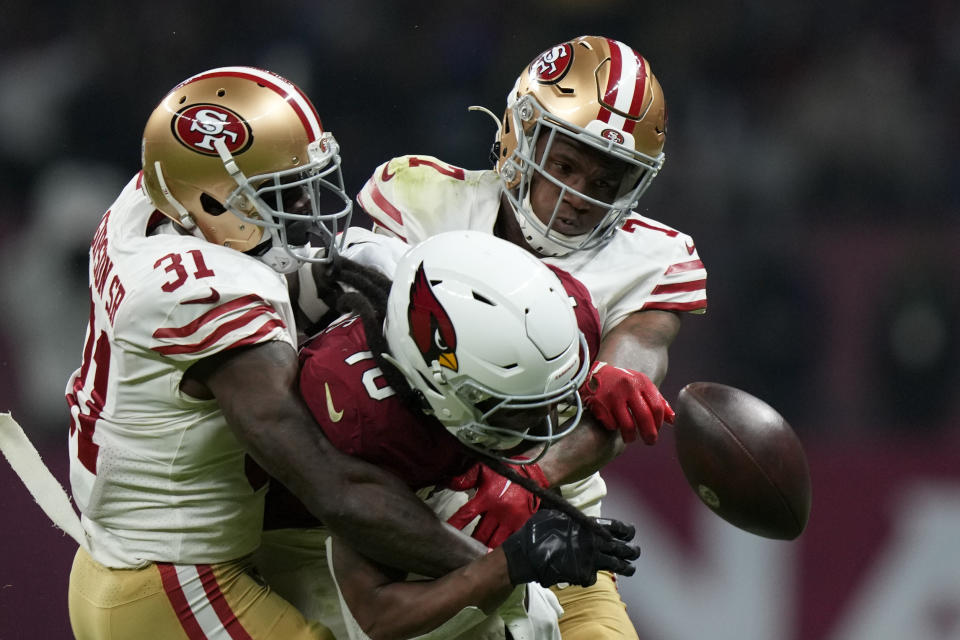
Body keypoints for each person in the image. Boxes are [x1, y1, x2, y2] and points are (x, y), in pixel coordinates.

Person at [64, 66, 499, 640]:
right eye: (280, 193)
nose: (304, 204)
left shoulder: (148, 204)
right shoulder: (214, 291)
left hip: (130, 560)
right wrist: (499, 568)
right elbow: (333, 490)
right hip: (172, 581)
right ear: (211, 203)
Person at [356, 35, 708, 638]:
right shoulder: (423, 197)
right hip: (409, 516)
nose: (576, 198)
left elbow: (641, 347)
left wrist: (611, 381)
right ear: (520, 139)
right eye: (566, 165)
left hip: (555, 536)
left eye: (604, 183)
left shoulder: (650, 256)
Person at [257, 228, 637, 638]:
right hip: (302, 538)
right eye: (516, 407)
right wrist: (508, 564)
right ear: (441, 387)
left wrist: (600, 379)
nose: (542, 422)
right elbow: (378, 616)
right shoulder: (373, 427)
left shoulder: (546, 310)